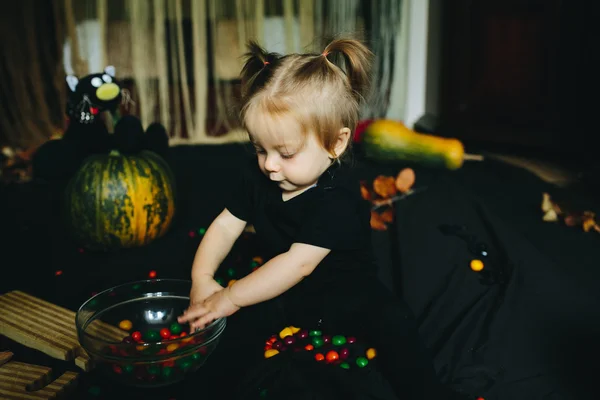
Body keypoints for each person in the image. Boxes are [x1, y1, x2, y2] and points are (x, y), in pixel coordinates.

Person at [178, 38, 454, 399]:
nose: (270, 165)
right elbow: (226, 224)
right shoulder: (256, 176)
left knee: (394, 323)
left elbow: (297, 264)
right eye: (260, 149)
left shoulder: (337, 199)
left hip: (348, 294)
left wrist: (230, 296)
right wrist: (202, 277)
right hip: (284, 292)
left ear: (335, 144)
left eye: (286, 153)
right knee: (237, 336)